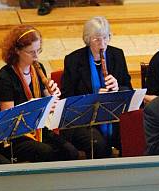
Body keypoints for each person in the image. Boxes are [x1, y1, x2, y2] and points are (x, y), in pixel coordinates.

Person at [0, 25, 78, 162]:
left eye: (38, 50)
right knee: (47, 152)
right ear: (17, 51)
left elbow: (48, 101)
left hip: (38, 128)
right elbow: (9, 119)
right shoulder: (5, 77)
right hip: (17, 136)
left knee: (70, 151)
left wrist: (53, 97)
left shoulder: (38, 69)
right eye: (31, 52)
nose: (36, 56)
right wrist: (42, 109)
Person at [62, 16, 132, 158]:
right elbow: (67, 99)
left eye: (106, 38)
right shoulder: (73, 60)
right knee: (99, 144)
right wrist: (95, 97)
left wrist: (117, 88)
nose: (102, 44)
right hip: (83, 122)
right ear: (88, 39)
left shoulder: (117, 55)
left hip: (113, 116)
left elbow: (128, 89)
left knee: (131, 134)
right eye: (97, 39)